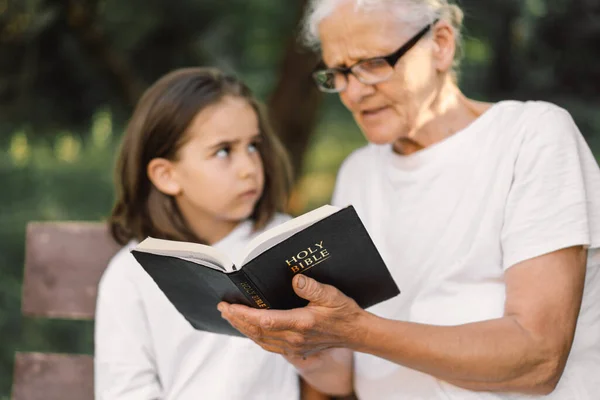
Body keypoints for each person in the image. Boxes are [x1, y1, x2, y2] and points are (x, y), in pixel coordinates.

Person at [218, 1, 600, 399]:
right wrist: (299, 341)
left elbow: (538, 361)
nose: (353, 91)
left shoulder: (531, 136)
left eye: (373, 63)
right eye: (339, 72)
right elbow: (347, 377)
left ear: (441, 44)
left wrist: (357, 330)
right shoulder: (359, 171)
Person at [94, 67, 317, 399]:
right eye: (224, 151)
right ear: (167, 175)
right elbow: (125, 391)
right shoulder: (130, 274)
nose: (249, 168)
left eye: (253, 146)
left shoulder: (289, 243)